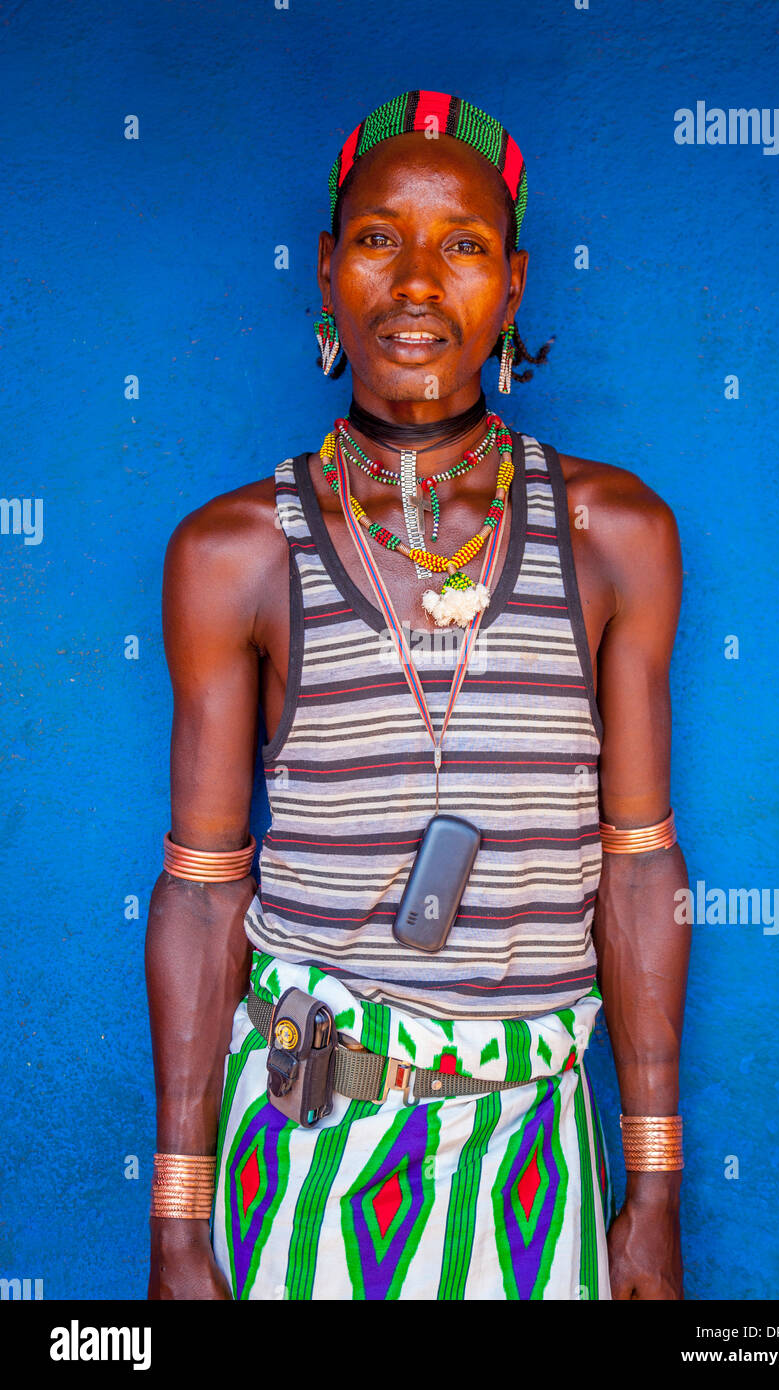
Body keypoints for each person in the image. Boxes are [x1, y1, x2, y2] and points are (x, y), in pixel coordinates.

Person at [146, 90, 690, 1301]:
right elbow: (198, 892)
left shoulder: (615, 534)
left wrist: (650, 1189)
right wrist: (179, 1225)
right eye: (379, 237)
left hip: (534, 1157)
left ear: (513, 284)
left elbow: (642, 868)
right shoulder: (235, 551)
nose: (415, 282)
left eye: (462, 245)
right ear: (330, 271)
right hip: (298, 1152)